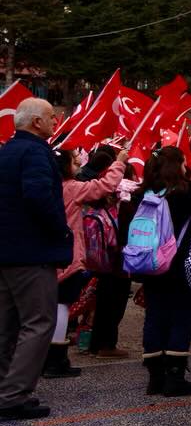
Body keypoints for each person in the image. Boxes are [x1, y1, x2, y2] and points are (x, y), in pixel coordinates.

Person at [0, 98, 67, 421]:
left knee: (6, 325)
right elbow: (39, 195)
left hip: (7, 252)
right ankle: (14, 395)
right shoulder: (36, 152)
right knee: (39, 322)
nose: (56, 121)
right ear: (37, 122)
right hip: (32, 252)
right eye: (52, 117)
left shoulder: (7, 151)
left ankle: (5, 387)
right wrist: (61, 231)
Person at [134, 147, 191, 398]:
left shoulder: (140, 195)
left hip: (149, 262)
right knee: (180, 317)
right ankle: (174, 377)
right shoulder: (184, 195)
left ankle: (154, 378)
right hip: (177, 265)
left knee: (154, 316)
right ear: (178, 166)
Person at [47, 145, 125, 379]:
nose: (78, 165)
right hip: (67, 255)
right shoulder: (72, 188)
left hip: (44, 255)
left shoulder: (45, 187)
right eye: (74, 162)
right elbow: (103, 186)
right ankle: (56, 358)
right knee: (62, 305)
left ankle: (44, 357)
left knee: (47, 307)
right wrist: (119, 162)